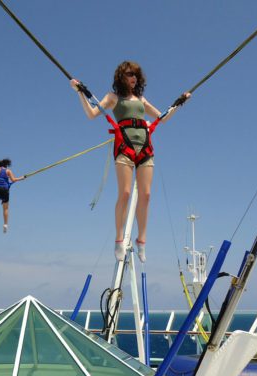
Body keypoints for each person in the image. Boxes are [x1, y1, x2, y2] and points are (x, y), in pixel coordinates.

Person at [70, 61, 190, 262]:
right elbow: (92, 114)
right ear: (121, 77)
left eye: (135, 75)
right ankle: (118, 239)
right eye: (128, 74)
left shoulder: (141, 99)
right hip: (124, 147)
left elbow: (163, 117)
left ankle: (141, 240)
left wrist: (180, 102)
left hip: (145, 147)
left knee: (147, 195)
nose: (133, 78)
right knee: (125, 193)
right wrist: (79, 92)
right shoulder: (112, 97)